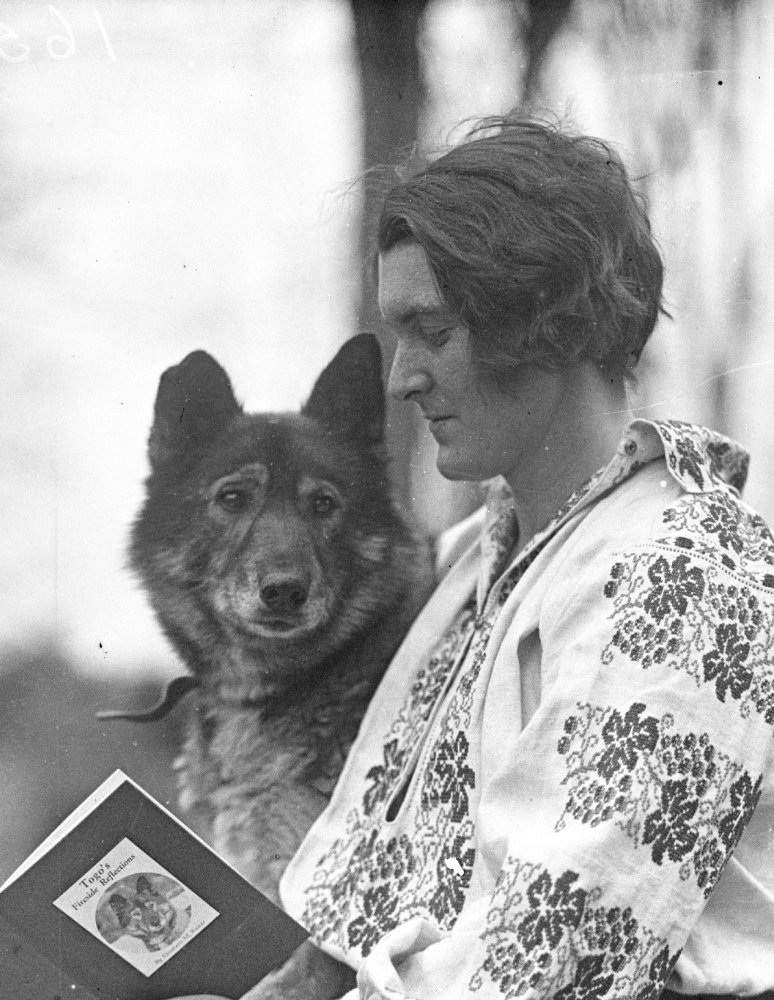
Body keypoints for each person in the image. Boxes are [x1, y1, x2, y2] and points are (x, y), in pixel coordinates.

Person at [166, 114, 774, 1000]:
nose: (401, 376)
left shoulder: (683, 575)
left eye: (432, 331)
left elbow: (562, 965)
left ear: (548, 322)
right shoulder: (472, 561)